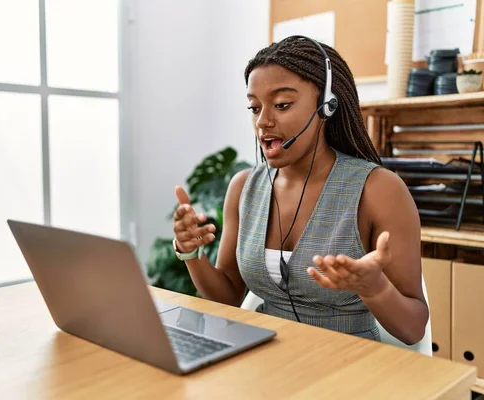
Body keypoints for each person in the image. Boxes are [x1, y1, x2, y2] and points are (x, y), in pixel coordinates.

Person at [171, 36, 429, 344]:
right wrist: (192, 253)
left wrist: (375, 288)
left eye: (281, 105)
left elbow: (413, 329)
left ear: (327, 106)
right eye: (254, 107)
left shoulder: (379, 190)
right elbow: (226, 298)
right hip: (264, 358)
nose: (263, 121)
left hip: (348, 366)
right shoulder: (243, 188)